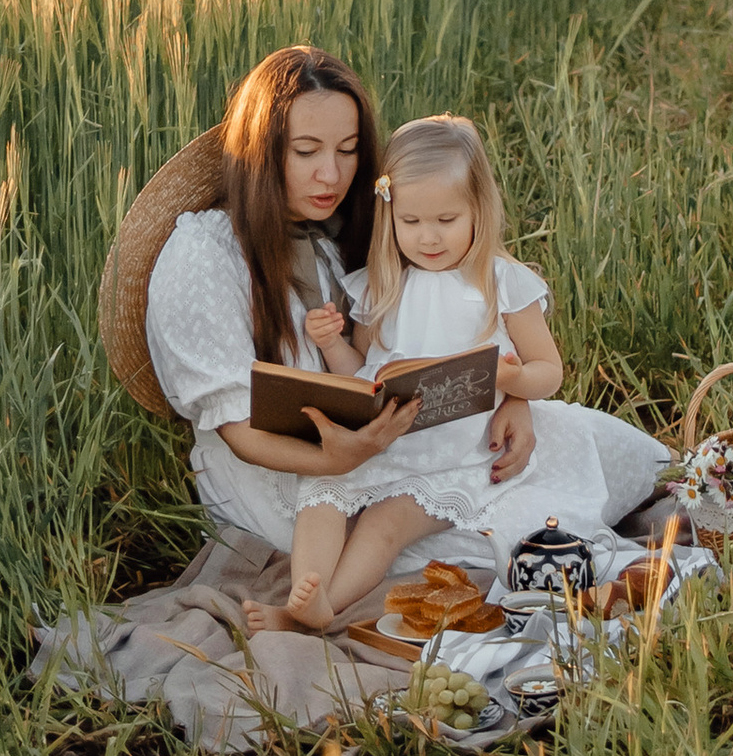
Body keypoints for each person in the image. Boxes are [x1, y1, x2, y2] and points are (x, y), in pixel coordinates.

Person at [134, 46, 662, 610]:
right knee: (445, 523)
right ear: (262, 154)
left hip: (392, 445)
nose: (331, 174)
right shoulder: (203, 255)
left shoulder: (351, 230)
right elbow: (239, 429)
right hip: (283, 474)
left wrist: (513, 400)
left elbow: (448, 349)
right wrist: (336, 460)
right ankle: (323, 599)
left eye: (348, 150)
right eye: (306, 151)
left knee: (560, 456)